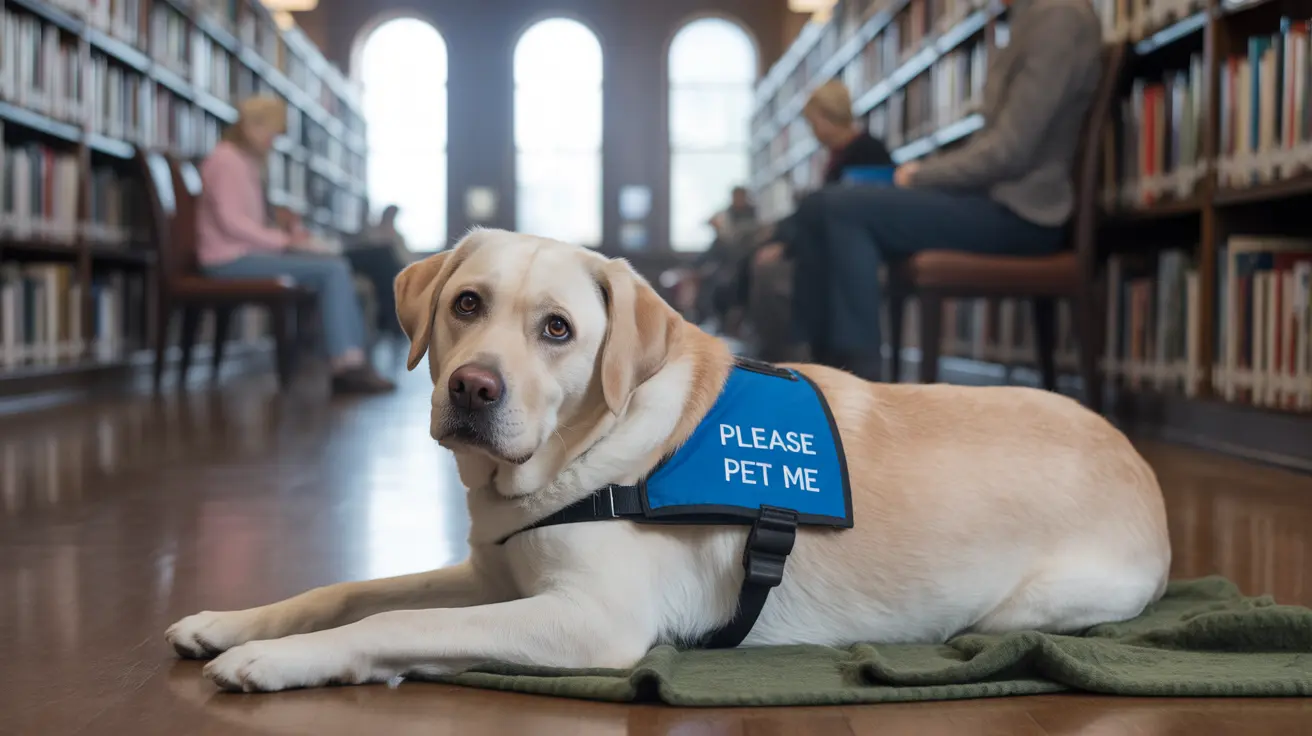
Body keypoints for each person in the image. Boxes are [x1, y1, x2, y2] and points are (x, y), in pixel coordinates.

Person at [782, 0, 1103, 380]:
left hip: (1019, 213)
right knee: (820, 206)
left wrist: (919, 175)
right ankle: (812, 374)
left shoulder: (1057, 17)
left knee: (841, 208)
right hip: (988, 201)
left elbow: (1009, 152)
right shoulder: (1031, 17)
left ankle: (855, 382)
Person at [196, 96, 396, 394]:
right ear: (253, 126)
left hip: (243, 253)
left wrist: (287, 233)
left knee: (334, 267)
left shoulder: (244, 162)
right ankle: (347, 362)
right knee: (333, 270)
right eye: (271, 132)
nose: (273, 141)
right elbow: (231, 222)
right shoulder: (227, 160)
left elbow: (245, 220)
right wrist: (284, 241)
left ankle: (353, 358)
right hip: (227, 259)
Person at [745, 80, 893, 359]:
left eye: (813, 123)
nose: (812, 132)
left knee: (772, 276)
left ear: (827, 118)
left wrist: (786, 245)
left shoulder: (868, 152)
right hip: (828, 247)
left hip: (850, 254)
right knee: (764, 265)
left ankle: (788, 358)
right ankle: (783, 356)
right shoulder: (836, 156)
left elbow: (844, 214)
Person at [346, 205, 414, 338]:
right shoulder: (370, 232)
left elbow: (408, 260)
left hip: (395, 271)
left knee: (394, 274)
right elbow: (363, 252)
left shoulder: (398, 237)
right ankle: (391, 324)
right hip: (374, 272)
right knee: (387, 268)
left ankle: (392, 323)